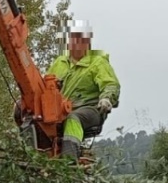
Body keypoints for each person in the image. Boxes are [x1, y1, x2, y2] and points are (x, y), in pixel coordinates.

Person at [46, 19, 121, 159]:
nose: (77, 42)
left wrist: (107, 98)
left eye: (81, 38)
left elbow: (111, 84)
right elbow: (45, 85)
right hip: (59, 111)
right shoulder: (60, 62)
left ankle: (69, 161)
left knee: (73, 118)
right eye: (74, 38)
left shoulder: (98, 61)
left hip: (90, 109)